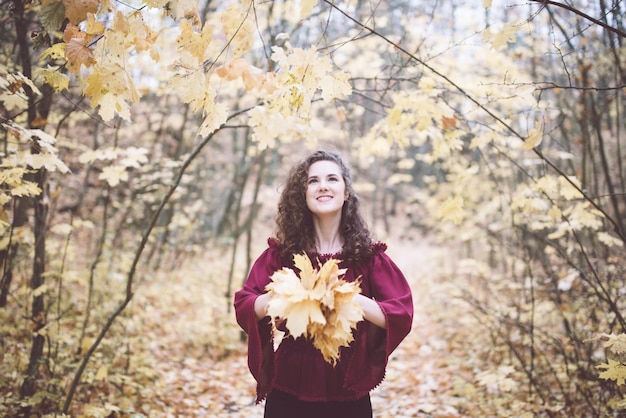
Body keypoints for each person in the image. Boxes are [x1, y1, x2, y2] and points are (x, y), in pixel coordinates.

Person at [234, 150, 414, 418]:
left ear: (346, 192)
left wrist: (350, 298)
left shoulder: (368, 257)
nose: (323, 186)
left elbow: (401, 313)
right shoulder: (282, 254)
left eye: (332, 178)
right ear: (303, 194)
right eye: (312, 181)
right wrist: (281, 296)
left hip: (347, 386)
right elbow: (244, 303)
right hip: (289, 383)